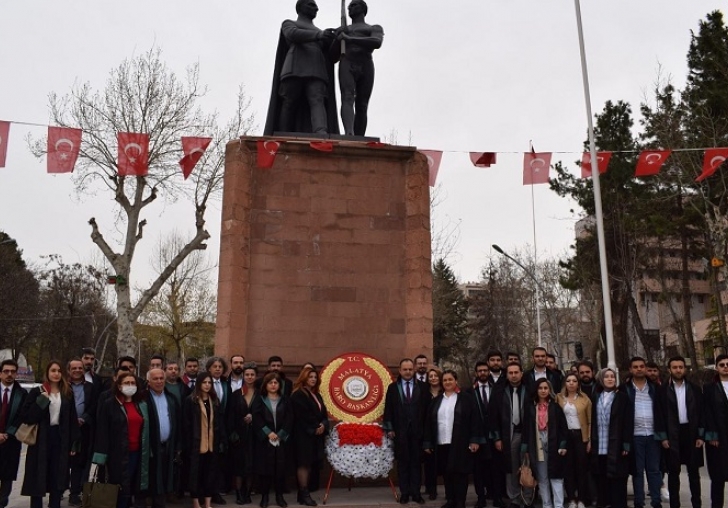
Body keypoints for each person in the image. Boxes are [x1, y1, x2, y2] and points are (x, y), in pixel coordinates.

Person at [264, 0, 339, 136]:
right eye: (311, 4)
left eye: (315, 5)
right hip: (294, 67)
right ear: (300, 7)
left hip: (317, 69)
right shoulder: (289, 23)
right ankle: (283, 133)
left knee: (317, 99)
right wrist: (319, 35)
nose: (316, 8)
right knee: (289, 102)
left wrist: (338, 40)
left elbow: (332, 57)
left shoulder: (321, 33)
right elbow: (292, 34)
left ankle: (321, 132)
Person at [20, 361, 80, 508]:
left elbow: (72, 419)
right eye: (53, 370)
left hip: (60, 438)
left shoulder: (67, 392)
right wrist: (42, 400)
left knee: (57, 477)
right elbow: (28, 416)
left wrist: (74, 442)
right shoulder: (38, 391)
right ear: (47, 373)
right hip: (41, 439)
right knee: (38, 476)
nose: (56, 374)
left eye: (59, 371)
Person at [423, 370, 482, 508]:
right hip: (442, 442)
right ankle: (450, 500)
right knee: (446, 472)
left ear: (456, 381)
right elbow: (428, 422)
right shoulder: (437, 401)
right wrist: (427, 442)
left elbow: (475, 420)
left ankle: (460, 501)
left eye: (450, 379)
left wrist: (474, 440)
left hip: (460, 442)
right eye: (445, 380)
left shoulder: (466, 399)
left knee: (460, 473)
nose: (447, 382)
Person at [93, 370, 150, 508]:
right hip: (116, 455)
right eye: (126, 383)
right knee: (118, 487)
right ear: (119, 386)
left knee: (131, 486)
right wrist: (101, 456)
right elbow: (102, 431)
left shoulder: (141, 405)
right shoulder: (110, 404)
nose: (130, 385)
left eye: (133, 383)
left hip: (138, 453)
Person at [655, 356, 704, 508]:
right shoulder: (662, 390)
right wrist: (663, 437)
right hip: (671, 434)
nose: (678, 370)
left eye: (680, 367)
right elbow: (659, 415)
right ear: (669, 369)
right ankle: (675, 505)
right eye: (675, 367)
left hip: (691, 433)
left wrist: (701, 435)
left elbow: (702, 413)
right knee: (673, 473)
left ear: (685, 369)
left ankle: (697, 504)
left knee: (694, 473)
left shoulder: (695, 389)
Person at [333, 0, 383, 136]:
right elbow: (332, 55)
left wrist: (350, 39)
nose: (350, 8)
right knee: (347, 97)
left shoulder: (374, 28)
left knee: (362, 103)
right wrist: (336, 38)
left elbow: (376, 42)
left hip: (365, 63)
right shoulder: (344, 30)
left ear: (363, 9)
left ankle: (359, 135)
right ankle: (349, 132)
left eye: (354, 5)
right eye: (349, 6)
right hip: (347, 62)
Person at [383, 358, 428, 505]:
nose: (408, 372)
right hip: (400, 432)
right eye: (405, 369)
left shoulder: (423, 387)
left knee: (416, 463)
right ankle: (405, 493)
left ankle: (416, 493)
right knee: (402, 463)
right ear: (400, 371)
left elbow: (426, 411)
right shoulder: (392, 388)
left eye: (410, 369)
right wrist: (389, 428)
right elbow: (388, 410)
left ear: (413, 370)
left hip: (418, 432)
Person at [490, 362, 532, 508]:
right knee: (511, 467)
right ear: (506, 375)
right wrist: (497, 438)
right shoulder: (500, 391)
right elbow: (493, 416)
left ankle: (527, 498)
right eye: (510, 373)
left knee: (527, 466)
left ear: (521, 373)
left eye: (516, 372)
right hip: (509, 434)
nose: (514, 375)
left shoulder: (529, 390)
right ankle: (514, 498)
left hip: (528, 434)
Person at [522, 379, 568, 508]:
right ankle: (547, 504)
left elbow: (563, 428)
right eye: (540, 388)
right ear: (536, 390)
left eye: (545, 388)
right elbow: (526, 429)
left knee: (556, 476)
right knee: (542, 477)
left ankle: (559, 505)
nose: (543, 391)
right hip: (537, 443)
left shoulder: (555, 407)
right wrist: (525, 448)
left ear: (550, 390)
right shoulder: (531, 407)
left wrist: (563, 445)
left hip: (553, 441)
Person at [590, 368, 633, 508]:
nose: (610, 379)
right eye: (607, 377)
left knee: (618, 479)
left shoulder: (622, 397)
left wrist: (626, 444)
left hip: (616, 445)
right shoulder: (596, 396)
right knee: (602, 478)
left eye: (612, 377)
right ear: (601, 379)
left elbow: (628, 421)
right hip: (600, 445)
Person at [623, 357, 662, 508]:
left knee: (654, 470)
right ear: (631, 369)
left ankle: (656, 502)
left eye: (641, 366)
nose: (639, 369)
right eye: (635, 367)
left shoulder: (655, 388)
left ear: (645, 368)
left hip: (653, 435)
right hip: (635, 436)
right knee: (637, 471)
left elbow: (661, 412)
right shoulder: (624, 389)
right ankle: (639, 502)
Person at [183, 372, 226, 508]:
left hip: (212, 444)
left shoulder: (214, 400)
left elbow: (219, 423)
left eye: (209, 383)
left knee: (210, 473)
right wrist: (188, 444)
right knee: (195, 474)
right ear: (199, 384)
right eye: (204, 382)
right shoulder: (191, 400)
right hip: (196, 444)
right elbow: (186, 424)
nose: (207, 385)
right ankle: (196, 502)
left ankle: (207, 503)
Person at [252, 372, 294, 508]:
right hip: (265, 440)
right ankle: (264, 497)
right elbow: (256, 417)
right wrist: (268, 433)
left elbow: (290, 418)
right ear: (266, 385)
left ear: (279, 385)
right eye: (270, 383)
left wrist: (281, 434)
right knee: (265, 469)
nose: (273, 385)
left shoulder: (286, 399)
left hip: (281, 440)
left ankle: (279, 496)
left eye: (276, 383)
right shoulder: (260, 399)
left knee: (280, 469)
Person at [290, 367, 329, 506]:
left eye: (314, 377)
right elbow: (302, 416)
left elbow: (324, 413)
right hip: (303, 435)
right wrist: (315, 428)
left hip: (315, 435)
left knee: (310, 463)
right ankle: (304, 493)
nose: (313, 379)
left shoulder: (316, 395)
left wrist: (323, 425)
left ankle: (302, 495)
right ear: (304, 378)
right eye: (310, 377)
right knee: (303, 464)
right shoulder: (298, 395)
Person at [147, 368, 182, 508]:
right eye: (155, 379)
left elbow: (178, 423)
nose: (159, 381)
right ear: (149, 382)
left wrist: (178, 445)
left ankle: (160, 502)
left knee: (164, 476)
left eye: (161, 378)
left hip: (168, 445)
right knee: (151, 476)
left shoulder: (171, 398)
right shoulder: (143, 398)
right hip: (149, 446)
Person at [556, 373, 591, 508]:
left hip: (580, 436)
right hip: (565, 437)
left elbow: (590, 421)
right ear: (565, 383)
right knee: (568, 468)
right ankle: (571, 498)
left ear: (578, 384)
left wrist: (589, 440)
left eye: (574, 381)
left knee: (581, 469)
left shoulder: (585, 399)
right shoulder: (559, 398)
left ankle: (581, 499)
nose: (571, 383)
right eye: (568, 381)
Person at [228, 363, 260, 505]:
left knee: (252, 465)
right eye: (247, 374)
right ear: (243, 376)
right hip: (239, 436)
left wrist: (254, 417)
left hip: (255, 435)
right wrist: (236, 429)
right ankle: (239, 493)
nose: (249, 377)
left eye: (252, 374)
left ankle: (248, 493)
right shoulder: (236, 394)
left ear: (256, 376)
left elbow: (265, 414)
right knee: (239, 466)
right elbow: (230, 415)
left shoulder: (261, 394)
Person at [67, 358, 98, 507]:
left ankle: (75, 494)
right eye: (74, 368)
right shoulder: (63, 386)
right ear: (69, 370)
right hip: (66, 430)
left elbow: (93, 405)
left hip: (83, 429)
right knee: (64, 463)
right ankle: (59, 491)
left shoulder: (90, 387)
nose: (78, 370)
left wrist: (83, 419)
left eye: (80, 368)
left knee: (80, 463)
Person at [0, 359, 28, 508]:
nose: (9, 374)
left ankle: (2, 503)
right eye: (6, 371)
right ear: (0, 373)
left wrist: (7, 434)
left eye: (12, 371)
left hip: (11, 441)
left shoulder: (21, 393)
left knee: (7, 477)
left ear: (16, 373)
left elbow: (21, 417)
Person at [468, 362, 494, 508]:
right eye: (480, 371)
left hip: (493, 436)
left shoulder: (496, 389)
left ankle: (495, 495)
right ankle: (481, 497)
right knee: (478, 469)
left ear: (488, 372)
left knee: (494, 468)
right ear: (476, 373)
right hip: (477, 436)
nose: (483, 373)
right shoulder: (470, 392)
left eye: (485, 370)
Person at [703, 353, 728, 508]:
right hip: (718, 437)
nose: (726, 367)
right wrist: (712, 435)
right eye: (722, 365)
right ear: (716, 368)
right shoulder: (709, 388)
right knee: (718, 476)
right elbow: (707, 412)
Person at [423, 367, 443, 500]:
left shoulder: (445, 392)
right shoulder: (423, 393)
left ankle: (450, 491)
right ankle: (431, 489)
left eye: (435, 376)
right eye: (430, 376)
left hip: (444, 431)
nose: (433, 378)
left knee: (444, 462)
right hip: (428, 430)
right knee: (429, 463)